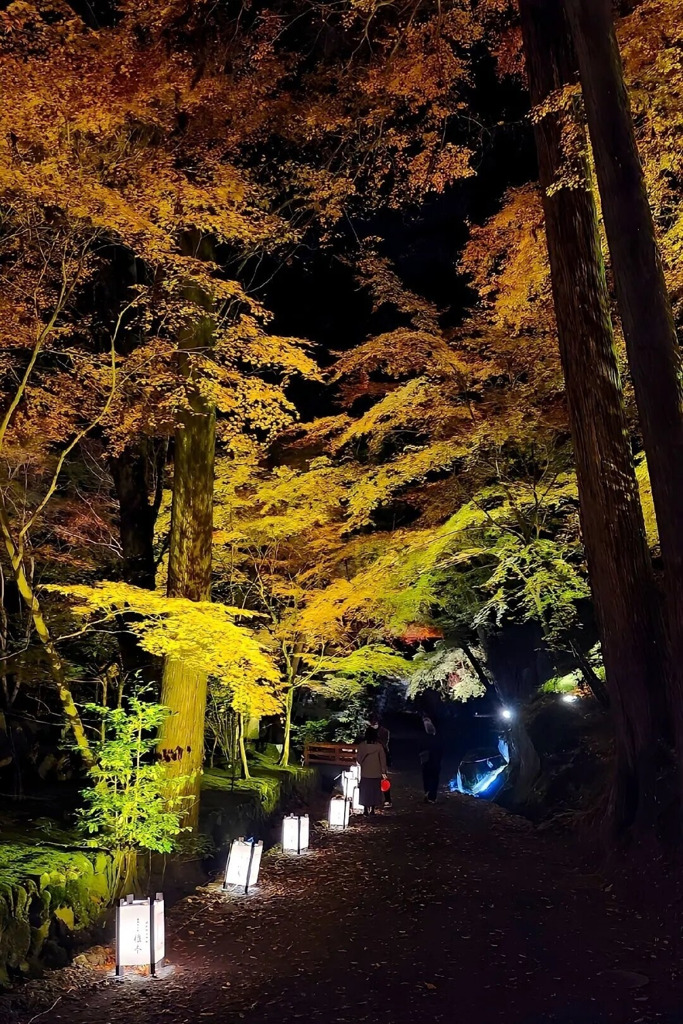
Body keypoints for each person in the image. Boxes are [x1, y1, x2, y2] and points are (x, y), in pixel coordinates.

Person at [356, 727, 387, 815]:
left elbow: (358, 759)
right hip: (376, 773)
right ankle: (372, 810)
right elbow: (382, 760)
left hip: (365, 772)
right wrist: (383, 771)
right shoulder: (379, 746)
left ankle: (365, 809)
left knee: (365, 791)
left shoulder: (362, 746)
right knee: (374, 791)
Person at [419, 717, 442, 804]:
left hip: (430, 761)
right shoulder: (433, 738)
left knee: (429, 778)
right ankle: (430, 795)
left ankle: (429, 795)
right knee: (431, 778)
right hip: (431, 761)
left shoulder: (428, 738)